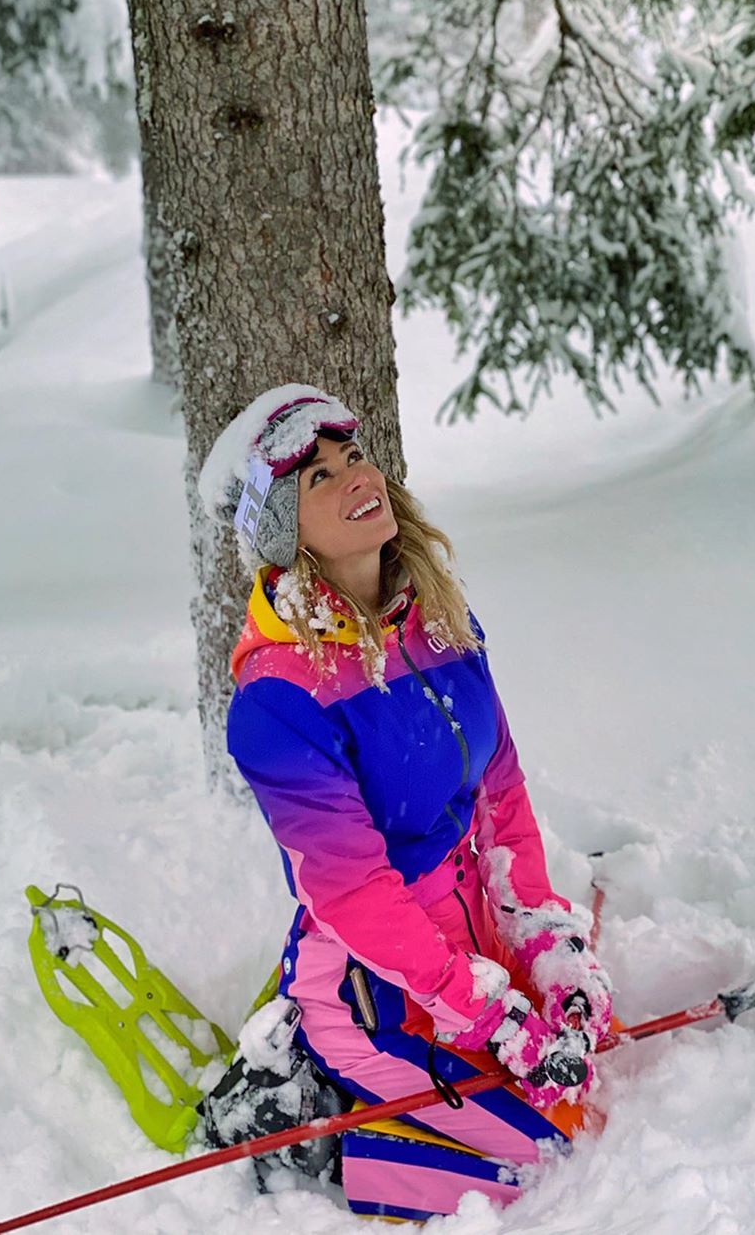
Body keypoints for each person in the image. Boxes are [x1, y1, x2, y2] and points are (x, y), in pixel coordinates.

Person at [198, 384, 613, 1222]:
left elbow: (501, 793)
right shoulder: (280, 696)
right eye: (318, 476)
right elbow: (351, 891)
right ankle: (322, 1135)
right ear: (283, 531)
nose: (357, 475)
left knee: (584, 1064)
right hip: (372, 987)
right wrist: (492, 1016)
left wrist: (546, 943)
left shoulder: (437, 616)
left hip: (469, 944)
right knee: (548, 1151)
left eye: (354, 455)